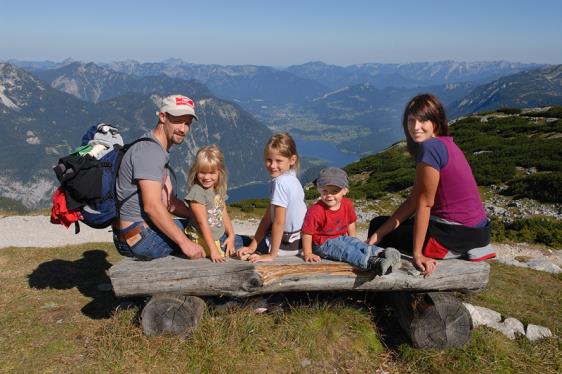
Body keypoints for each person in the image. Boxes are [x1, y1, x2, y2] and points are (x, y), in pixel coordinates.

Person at [367, 93, 495, 277]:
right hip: (476, 232)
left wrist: (418, 254)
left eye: (423, 120)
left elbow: (424, 204)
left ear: (435, 121)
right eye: (411, 121)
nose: (416, 127)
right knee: (380, 228)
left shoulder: (430, 148)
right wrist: (380, 233)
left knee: (376, 226)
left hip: (454, 236)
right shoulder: (445, 144)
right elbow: (413, 201)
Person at [113, 94, 206, 260]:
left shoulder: (157, 149)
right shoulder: (151, 152)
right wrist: (186, 243)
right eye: (178, 121)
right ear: (162, 117)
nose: (183, 129)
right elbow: (152, 206)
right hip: (140, 238)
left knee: (205, 226)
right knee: (212, 236)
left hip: (138, 234)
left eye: (187, 124)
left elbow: (168, 203)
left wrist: (199, 215)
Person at [301, 167, 401, 275]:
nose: (329, 195)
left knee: (356, 244)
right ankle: (372, 263)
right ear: (319, 189)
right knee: (346, 250)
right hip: (322, 244)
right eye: (325, 190)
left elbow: (350, 222)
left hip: (341, 237)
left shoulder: (347, 204)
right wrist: (308, 253)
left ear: (345, 191)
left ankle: (382, 253)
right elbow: (307, 233)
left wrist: (352, 240)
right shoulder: (316, 211)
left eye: (335, 191)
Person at [237, 133, 307, 263]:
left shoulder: (280, 183)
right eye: (269, 160)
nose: (273, 165)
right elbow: (268, 217)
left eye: (279, 161)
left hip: (283, 247)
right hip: (298, 244)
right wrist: (253, 246)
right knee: (249, 243)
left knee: (233, 241)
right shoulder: (293, 179)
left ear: (292, 160)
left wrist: (271, 255)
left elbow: (279, 223)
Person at [184, 145, 251, 263]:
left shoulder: (217, 189)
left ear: (219, 172)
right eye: (202, 172)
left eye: (211, 173)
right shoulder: (197, 192)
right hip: (207, 240)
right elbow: (202, 223)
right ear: (196, 171)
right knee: (249, 244)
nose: (207, 177)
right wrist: (214, 250)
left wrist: (231, 235)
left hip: (219, 236)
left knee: (246, 242)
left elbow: (223, 213)